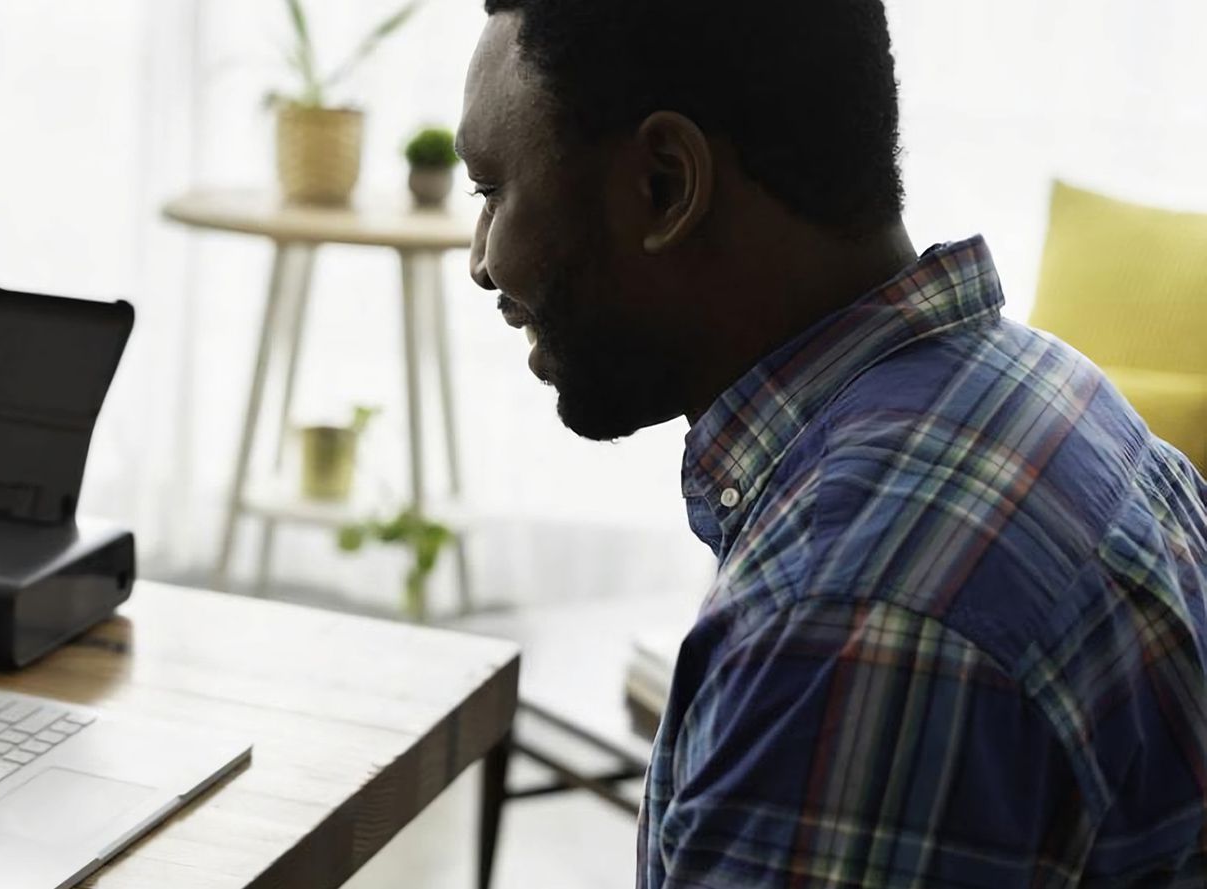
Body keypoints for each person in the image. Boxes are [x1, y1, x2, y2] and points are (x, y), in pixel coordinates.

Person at [457, 1, 1207, 885]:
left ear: (664, 184)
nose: (480, 259)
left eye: (494, 192)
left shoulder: (844, 626)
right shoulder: (1051, 390)